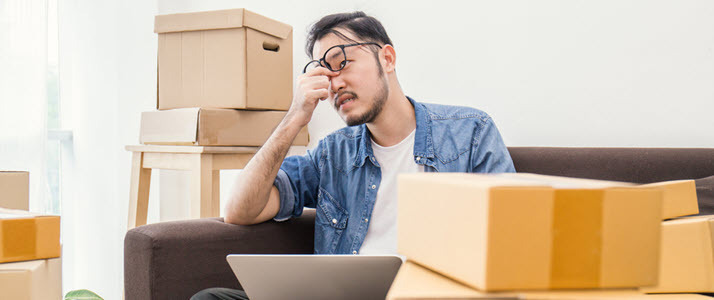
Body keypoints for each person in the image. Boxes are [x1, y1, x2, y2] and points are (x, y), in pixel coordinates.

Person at [191, 11, 515, 300]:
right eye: (324, 73)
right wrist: (295, 117)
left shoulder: (469, 133)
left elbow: (511, 237)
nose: (334, 83)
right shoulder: (332, 153)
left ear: (387, 59)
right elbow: (240, 210)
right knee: (210, 299)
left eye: (341, 62)